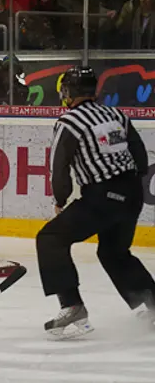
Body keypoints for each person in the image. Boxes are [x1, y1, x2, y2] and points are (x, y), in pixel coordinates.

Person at [36, 66, 155, 339]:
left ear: (67, 92)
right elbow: (139, 154)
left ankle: (72, 305)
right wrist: (126, 188)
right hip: (132, 194)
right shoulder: (116, 114)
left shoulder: (69, 121)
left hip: (103, 196)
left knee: (50, 238)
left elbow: (59, 164)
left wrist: (60, 198)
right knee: (114, 253)